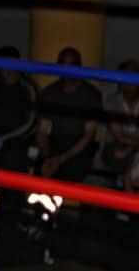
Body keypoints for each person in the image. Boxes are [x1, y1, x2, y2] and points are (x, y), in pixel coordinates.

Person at [35, 46, 102, 182]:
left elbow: (88, 135)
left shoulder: (91, 95)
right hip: (54, 142)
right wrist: (48, 156)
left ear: (79, 66)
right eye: (63, 65)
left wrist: (61, 158)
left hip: (78, 146)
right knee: (39, 170)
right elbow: (42, 130)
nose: (67, 70)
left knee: (73, 171)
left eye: (71, 65)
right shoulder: (50, 93)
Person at [100, 59, 139, 191]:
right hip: (116, 147)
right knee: (118, 155)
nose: (128, 84)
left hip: (134, 148)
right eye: (125, 79)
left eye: (132, 79)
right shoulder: (112, 101)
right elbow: (119, 137)